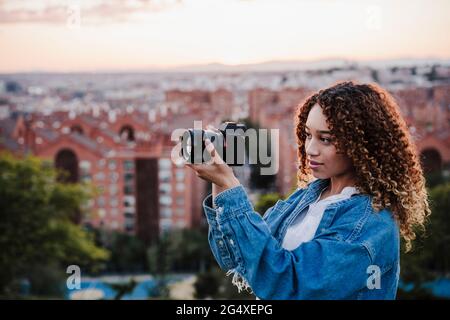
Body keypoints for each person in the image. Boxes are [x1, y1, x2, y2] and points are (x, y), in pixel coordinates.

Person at [185, 81, 430, 300]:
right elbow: (239, 258)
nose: (310, 149)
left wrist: (230, 185)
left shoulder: (371, 224)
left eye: (326, 139)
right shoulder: (308, 197)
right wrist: (219, 181)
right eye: (307, 135)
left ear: (362, 145)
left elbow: (289, 287)